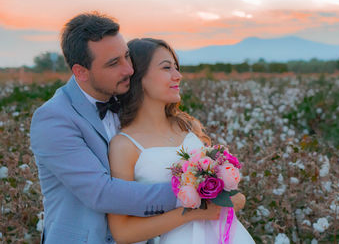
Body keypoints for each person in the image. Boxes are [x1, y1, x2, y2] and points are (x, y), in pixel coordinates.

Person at [30, 12, 221, 244]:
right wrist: (199, 191)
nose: (129, 70)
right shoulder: (54, 119)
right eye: (113, 63)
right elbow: (101, 193)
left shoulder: (127, 102)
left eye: (126, 57)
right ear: (80, 72)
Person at [108, 38, 255, 244]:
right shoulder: (124, 145)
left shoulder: (187, 127)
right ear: (138, 76)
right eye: (166, 68)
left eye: (176, 68)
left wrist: (233, 197)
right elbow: (123, 232)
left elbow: (231, 197)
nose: (178, 76)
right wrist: (195, 213)